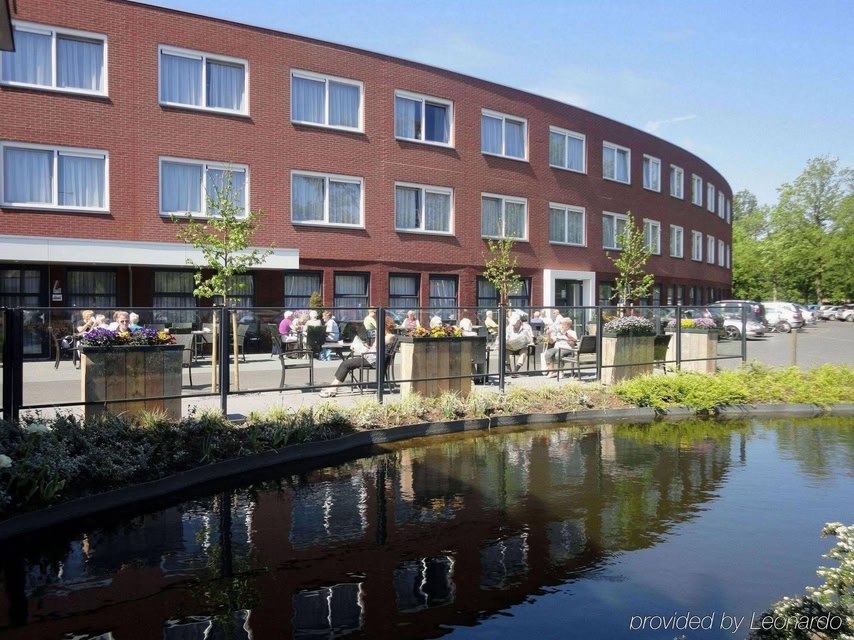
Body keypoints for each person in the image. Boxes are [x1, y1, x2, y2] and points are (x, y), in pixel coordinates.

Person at [319, 317, 398, 398]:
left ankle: (333, 388)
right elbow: (376, 348)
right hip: (371, 357)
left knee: (346, 364)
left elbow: (378, 346)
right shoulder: (385, 336)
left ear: (384, 326)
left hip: (373, 361)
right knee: (346, 363)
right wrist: (364, 347)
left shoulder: (389, 337)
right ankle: (333, 386)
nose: (377, 327)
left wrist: (375, 339)